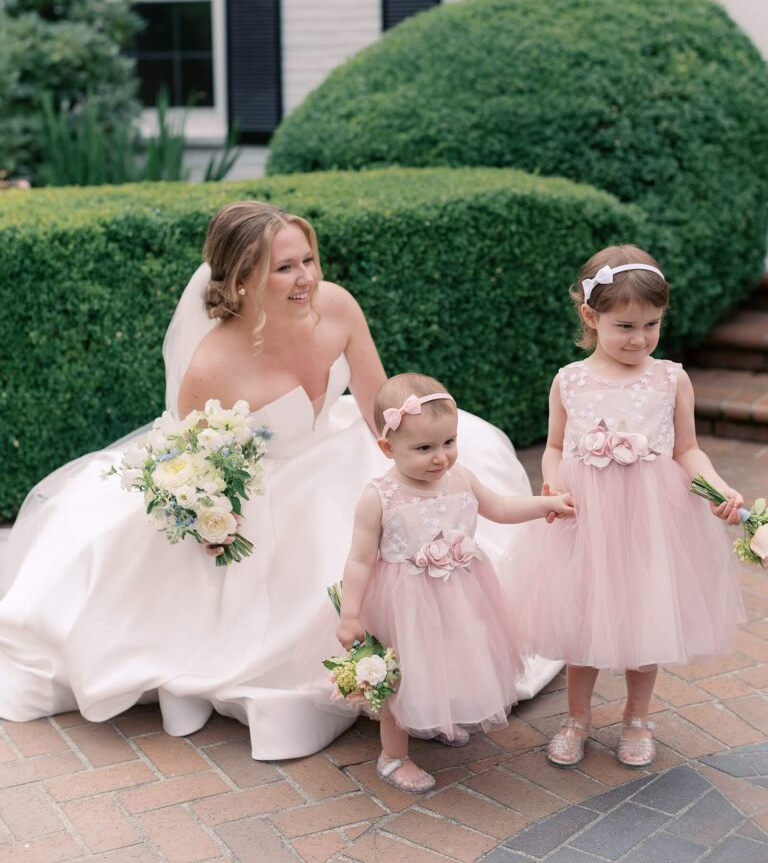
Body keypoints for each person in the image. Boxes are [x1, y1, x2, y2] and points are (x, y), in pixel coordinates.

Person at [0, 201, 559, 760]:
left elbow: (379, 411)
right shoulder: (211, 365)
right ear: (242, 280)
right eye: (285, 267)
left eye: (308, 260)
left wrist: (417, 489)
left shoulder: (336, 306)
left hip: (347, 450)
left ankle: (446, 666)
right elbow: (196, 464)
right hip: (268, 486)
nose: (307, 278)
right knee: (316, 554)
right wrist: (210, 518)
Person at [501, 245, 747, 770]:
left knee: (645, 616)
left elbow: (687, 450)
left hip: (650, 520)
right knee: (582, 619)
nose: (639, 338)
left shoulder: (670, 378)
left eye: (651, 325)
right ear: (591, 316)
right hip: (585, 519)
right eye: (625, 326)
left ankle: (637, 717)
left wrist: (718, 488)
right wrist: (550, 481)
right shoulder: (570, 380)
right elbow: (553, 445)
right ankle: (577, 718)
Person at [335, 373, 575, 792]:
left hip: (462, 594)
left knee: (451, 660)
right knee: (404, 674)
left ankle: (437, 720)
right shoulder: (381, 496)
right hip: (405, 602)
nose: (440, 457)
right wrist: (351, 615)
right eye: (424, 448)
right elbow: (359, 560)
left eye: (448, 442)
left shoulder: (461, 478)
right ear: (388, 448)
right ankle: (393, 757)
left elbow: (500, 506)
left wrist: (545, 504)